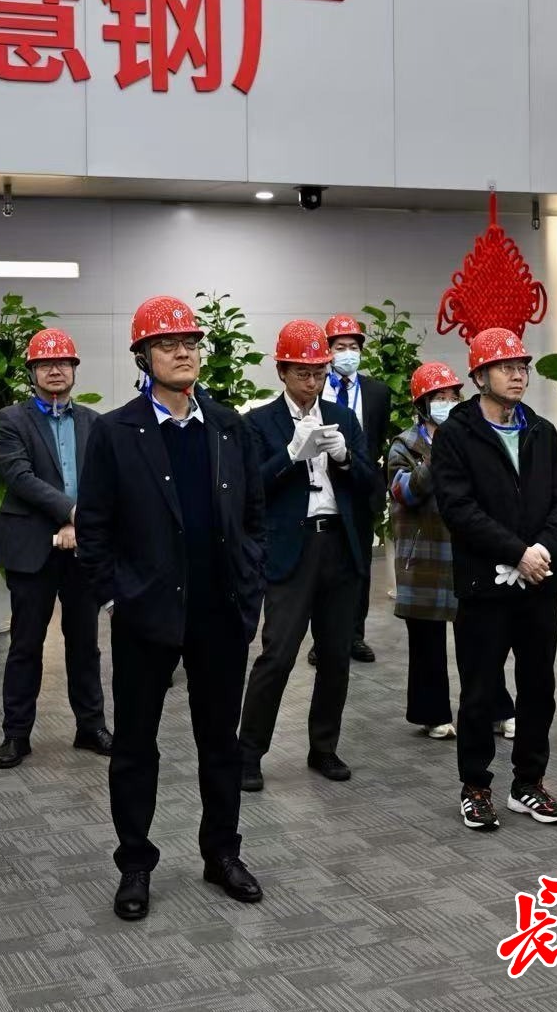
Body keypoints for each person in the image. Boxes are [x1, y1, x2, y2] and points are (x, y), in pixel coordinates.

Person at [77, 295, 268, 923]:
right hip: (147, 615)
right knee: (136, 746)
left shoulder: (229, 427)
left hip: (219, 613)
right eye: (167, 344)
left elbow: (253, 517)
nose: (182, 352)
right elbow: (94, 526)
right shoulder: (116, 431)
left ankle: (222, 853)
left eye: (190, 342)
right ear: (143, 356)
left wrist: (249, 587)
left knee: (221, 745)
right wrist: (115, 596)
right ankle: (135, 863)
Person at [431, 328, 557, 831]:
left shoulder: (541, 430)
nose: (518, 375)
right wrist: (517, 552)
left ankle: (528, 783)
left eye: (522, 367)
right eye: (505, 367)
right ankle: (475, 787)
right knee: (479, 692)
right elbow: (458, 509)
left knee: (539, 688)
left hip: (539, 582)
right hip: (484, 586)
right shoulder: (456, 434)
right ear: (479, 376)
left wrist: (542, 551)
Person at [238, 319, 375, 792]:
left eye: (319, 373)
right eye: (302, 373)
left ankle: (324, 748)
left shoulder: (344, 417)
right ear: (282, 371)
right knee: (277, 654)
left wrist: (346, 458)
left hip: (339, 544)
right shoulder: (259, 422)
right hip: (290, 548)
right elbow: (251, 489)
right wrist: (290, 456)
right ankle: (248, 752)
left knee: (336, 656)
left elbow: (370, 485)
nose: (312, 382)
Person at [0, 327, 110, 769]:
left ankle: (90, 726)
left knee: (85, 643)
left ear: (74, 369)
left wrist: (79, 523)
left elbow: (103, 480)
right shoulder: (11, 421)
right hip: (31, 548)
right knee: (25, 645)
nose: (55, 370)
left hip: (82, 549)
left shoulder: (95, 422)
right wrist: (70, 513)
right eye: (45, 363)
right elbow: (19, 477)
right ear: (32, 372)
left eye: (63, 363)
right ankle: (16, 734)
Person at [388, 362, 514, 740]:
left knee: (480, 639)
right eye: (438, 397)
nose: (447, 402)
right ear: (422, 403)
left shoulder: (472, 436)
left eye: (452, 396)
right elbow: (404, 491)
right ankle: (432, 714)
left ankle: (495, 709)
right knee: (426, 641)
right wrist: (435, 456)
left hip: (467, 552)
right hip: (424, 556)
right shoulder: (405, 444)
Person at [312, 313, 389, 665]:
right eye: (341, 346)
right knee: (322, 564)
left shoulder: (377, 392)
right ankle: (321, 640)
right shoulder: (316, 386)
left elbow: (377, 441)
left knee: (360, 566)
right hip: (321, 486)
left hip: (360, 486)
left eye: (354, 347)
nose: (348, 353)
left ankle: (355, 634)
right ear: (328, 351)